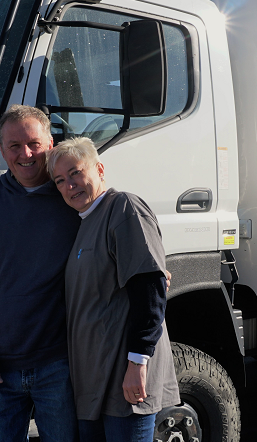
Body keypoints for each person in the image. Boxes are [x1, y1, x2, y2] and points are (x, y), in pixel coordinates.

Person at [0, 105, 81, 442]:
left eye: (35, 144)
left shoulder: (73, 197)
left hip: (60, 367)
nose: (26, 154)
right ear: (1, 148)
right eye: (14, 146)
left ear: (51, 144)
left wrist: (144, 267)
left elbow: (113, 238)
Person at [47, 137, 180, 442]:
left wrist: (137, 363)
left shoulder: (123, 208)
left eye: (76, 173)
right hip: (94, 381)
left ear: (100, 169)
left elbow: (149, 287)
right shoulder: (84, 222)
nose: (70, 185)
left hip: (124, 378)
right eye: (60, 181)